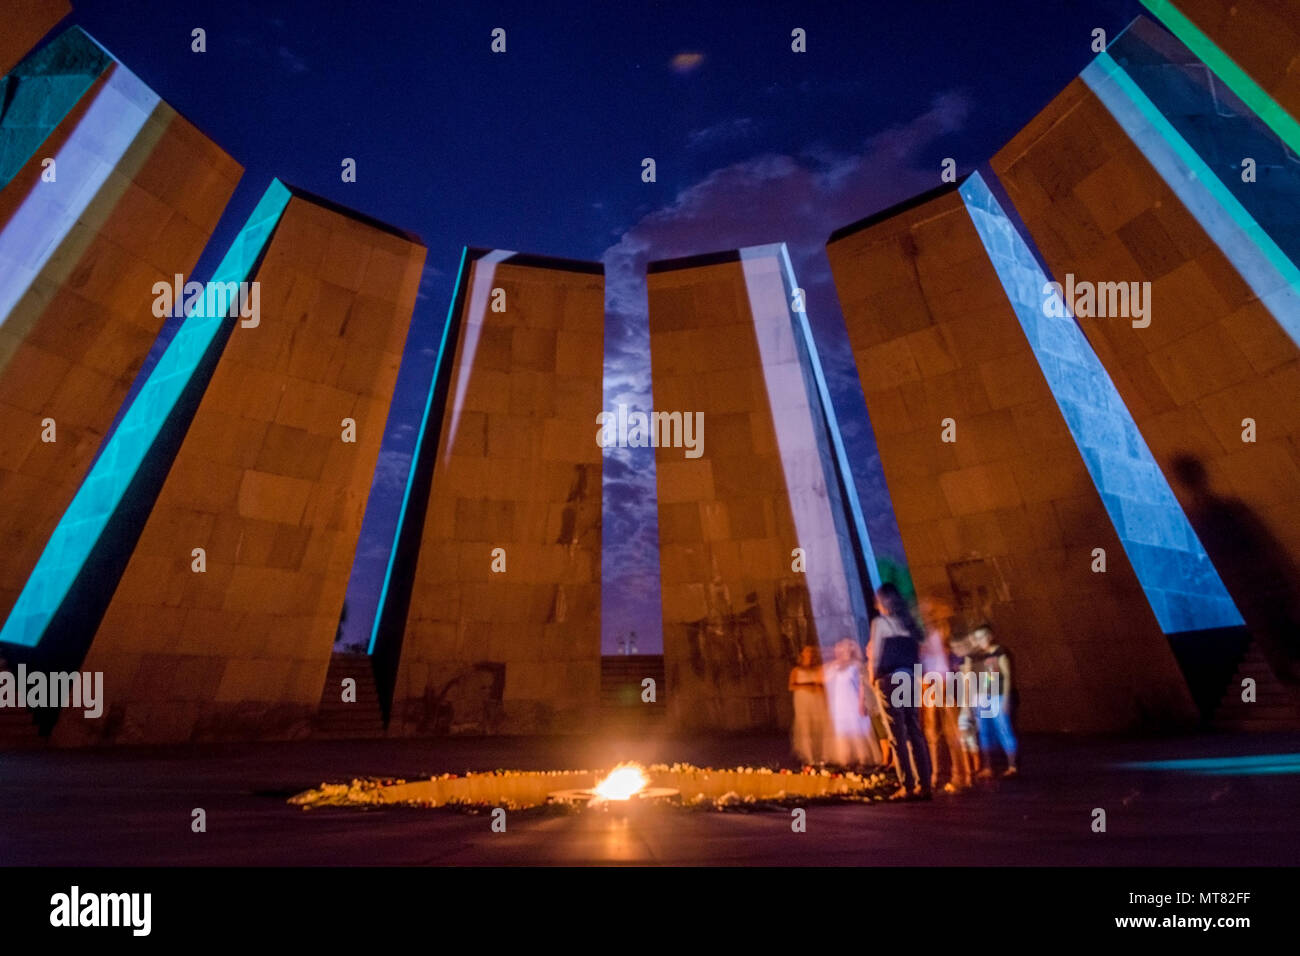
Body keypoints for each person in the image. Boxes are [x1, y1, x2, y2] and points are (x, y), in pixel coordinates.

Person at [866, 583, 933, 800]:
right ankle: (925, 784)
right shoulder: (910, 624)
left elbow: (875, 656)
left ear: (883, 602)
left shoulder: (881, 623)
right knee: (914, 730)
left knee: (897, 733)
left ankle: (907, 785)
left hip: (890, 679)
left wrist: (872, 679)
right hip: (909, 677)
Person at [919, 597, 972, 793]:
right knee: (932, 730)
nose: (924, 615)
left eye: (928, 611)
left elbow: (948, 650)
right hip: (929, 682)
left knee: (952, 729)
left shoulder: (944, 629)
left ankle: (962, 775)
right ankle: (937, 774)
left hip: (944, 681)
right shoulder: (926, 633)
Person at [967, 624, 1018, 778]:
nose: (980, 640)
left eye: (982, 636)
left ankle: (1012, 765)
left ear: (990, 636)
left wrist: (1006, 699)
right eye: (977, 637)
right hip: (981, 698)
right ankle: (988, 767)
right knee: (984, 733)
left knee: (1004, 729)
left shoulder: (999, 652)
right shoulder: (975, 655)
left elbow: (1007, 676)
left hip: (998, 695)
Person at [823, 637, 882, 768]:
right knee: (842, 731)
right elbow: (827, 680)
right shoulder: (834, 666)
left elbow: (862, 685)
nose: (839, 652)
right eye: (837, 649)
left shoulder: (856, 665)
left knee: (857, 729)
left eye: (842, 649)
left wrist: (861, 702)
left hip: (852, 701)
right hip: (839, 702)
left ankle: (863, 758)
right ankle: (846, 758)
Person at [788, 645, 827, 766]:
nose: (809, 653)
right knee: (805, 727)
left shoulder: (819, 669)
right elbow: (791, 686)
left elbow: (823, 685)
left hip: (816, 701)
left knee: (818, 727)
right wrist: (807, 686)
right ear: (802, 654)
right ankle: (808, 756)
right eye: (807, 651)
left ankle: (820, 755)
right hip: (803, 701)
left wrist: (818, 688)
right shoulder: (796, 670)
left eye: (811, 651)